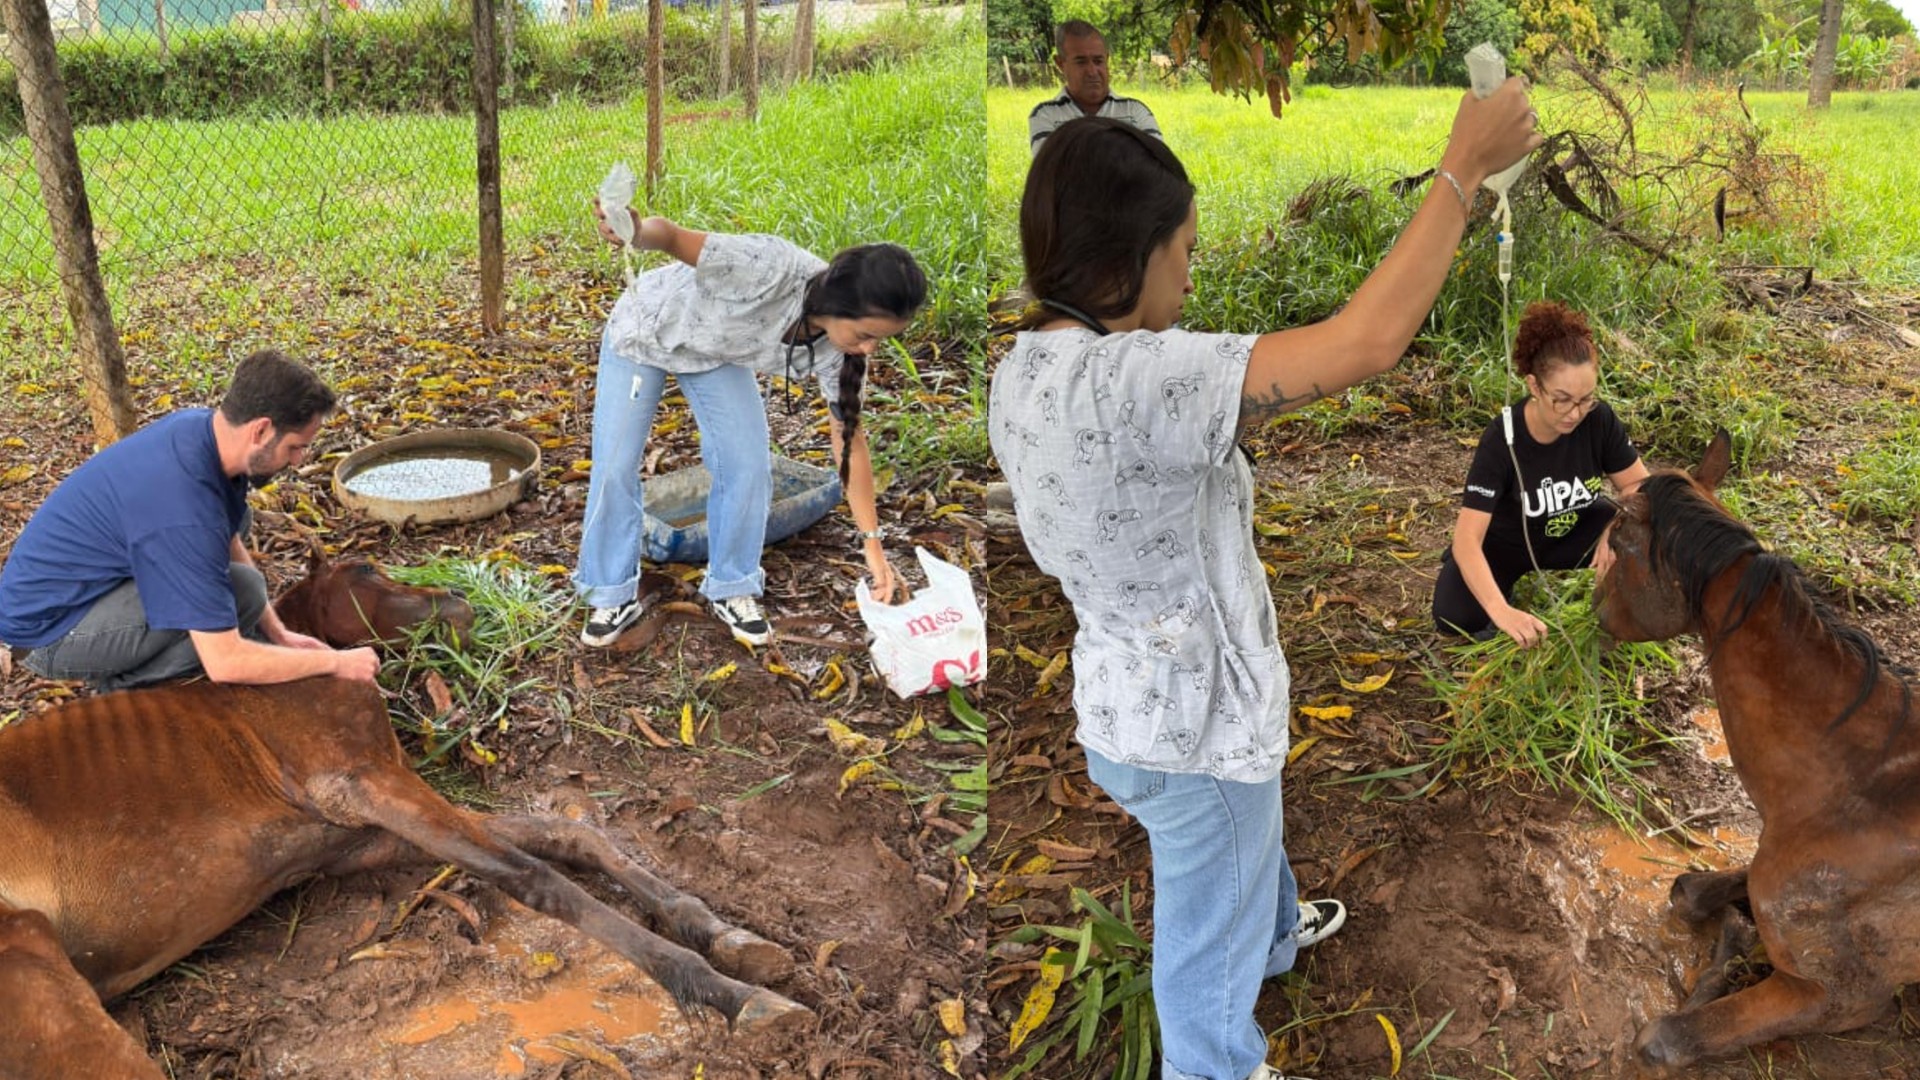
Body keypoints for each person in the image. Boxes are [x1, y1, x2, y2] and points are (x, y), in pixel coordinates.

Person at [989, 94, 1539, 1080]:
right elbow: (1365, 343)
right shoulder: (1141, 381)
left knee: (1247, 849)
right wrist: (1461, 169)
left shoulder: (1028, 369)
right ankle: (1218, 1064)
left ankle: (1275, 934)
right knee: (1205, 946)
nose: (1191, 278)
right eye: (1185, 253)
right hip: (1196, 735)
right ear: (1126, 263)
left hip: (1128, 699)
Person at [573, 209, 927, 648]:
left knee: (747, 463)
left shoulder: (845, 351)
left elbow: (850, 443)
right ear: (838, 304)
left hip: (716, 353)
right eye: (867, 333)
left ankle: (732, 586)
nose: (871, 347)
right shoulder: (772, 267)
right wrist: (634, 230)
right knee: (614, 464)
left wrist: (873, 545)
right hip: (647, 332)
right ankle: (610, 592)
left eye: (882, 339)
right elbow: (672, 238)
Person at [0, 349, 380, 691]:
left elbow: (227, 535)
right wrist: (334, 662)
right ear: (261, 430)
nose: (298, 461)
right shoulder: (183, 512)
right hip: (52, 633)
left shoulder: (203, 432)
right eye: (295, 447)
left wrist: (278, 633)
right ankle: (123, 688)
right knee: (232, 606)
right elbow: (225, 661)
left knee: (245, 587)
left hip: (90, 584)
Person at [1433, 301, 1649, 645]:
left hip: (1572, 529)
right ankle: (1495, 588)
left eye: (1586, 399)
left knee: (1647, 531)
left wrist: (1616, 527)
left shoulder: (1599, 420)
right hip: (1507, 545)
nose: (1575, 413)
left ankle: (1621, 609)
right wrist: (1500, 610)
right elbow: (1467, 538)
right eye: (1561, 399)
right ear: (1534, 386)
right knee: (1454, 617)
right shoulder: (1501, 439)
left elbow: (1638, 483)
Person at [1028, 20, 1163, 157]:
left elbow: (1158, 168)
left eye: (1098, 61)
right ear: (1060, 64)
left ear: (1107, 59)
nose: (1092, 71)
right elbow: (1051, 171)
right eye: (1081, 62)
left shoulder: (1135, 112)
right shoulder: (1046, 115)